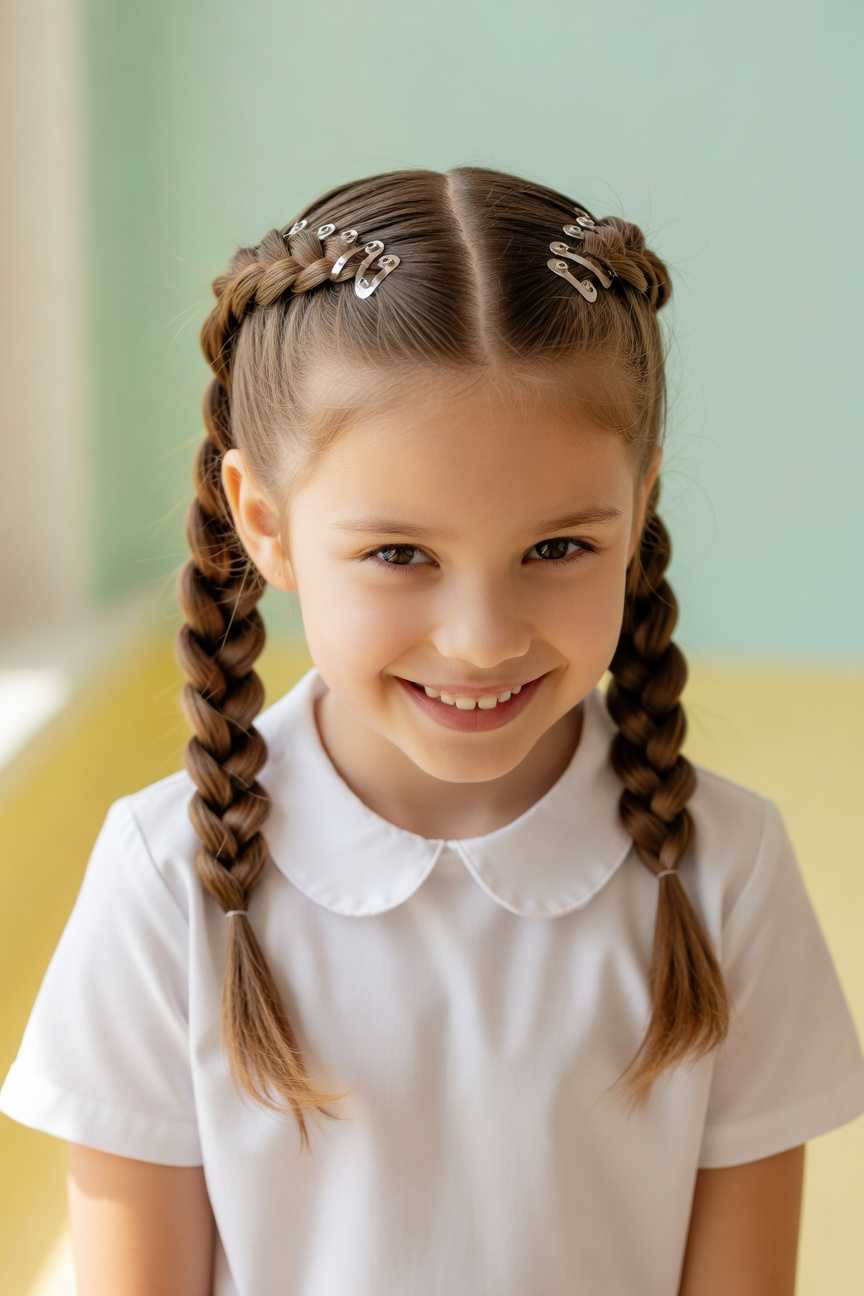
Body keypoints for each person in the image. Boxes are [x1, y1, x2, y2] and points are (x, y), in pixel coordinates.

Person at [2, 166, 863, 1296]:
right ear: (266, 524)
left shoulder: (727, 871)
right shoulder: (164, 881)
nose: (482, 639)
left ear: (640, 507)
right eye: (400, 554)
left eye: (557, 549)